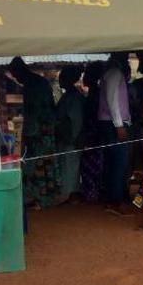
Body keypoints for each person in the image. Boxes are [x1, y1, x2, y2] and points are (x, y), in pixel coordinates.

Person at [10, 57, 62, 209]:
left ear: (19, 71)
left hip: (37, 133)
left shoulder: (31, 85)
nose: (15, 78)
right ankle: (47, 197)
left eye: (15, 75)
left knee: (35, 165)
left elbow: (33, 111)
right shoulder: (40, 82)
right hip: (47, 130)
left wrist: (28, 134)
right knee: (47, 164)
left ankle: (37, 199)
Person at [98, 52, 132, 215]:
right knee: (119, 163)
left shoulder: (111, 72)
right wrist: (119, 125)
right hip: (113, 123)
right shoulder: (114, 73)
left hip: (112, 122)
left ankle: (114, 197)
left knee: (114, 163)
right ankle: (116, 201)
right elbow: (113, 101)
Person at [55, 65, 86, 202]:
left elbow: (76, 120)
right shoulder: (69, 95)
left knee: (71, 166)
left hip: (71, 137)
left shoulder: (74, 97)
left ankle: (73, 193)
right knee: (68, 165)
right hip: (67, 137)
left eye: (62, 77)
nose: (60, 80)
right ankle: (70, 193)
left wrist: (74, 137)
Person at [79, 61, 106, 203]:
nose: (84, 78)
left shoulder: (95, 94)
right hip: (96, 133)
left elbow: (92, 116)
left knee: (92, 165)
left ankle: (93, 193)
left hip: (93, 134)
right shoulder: (96, 92)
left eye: (86, 75)